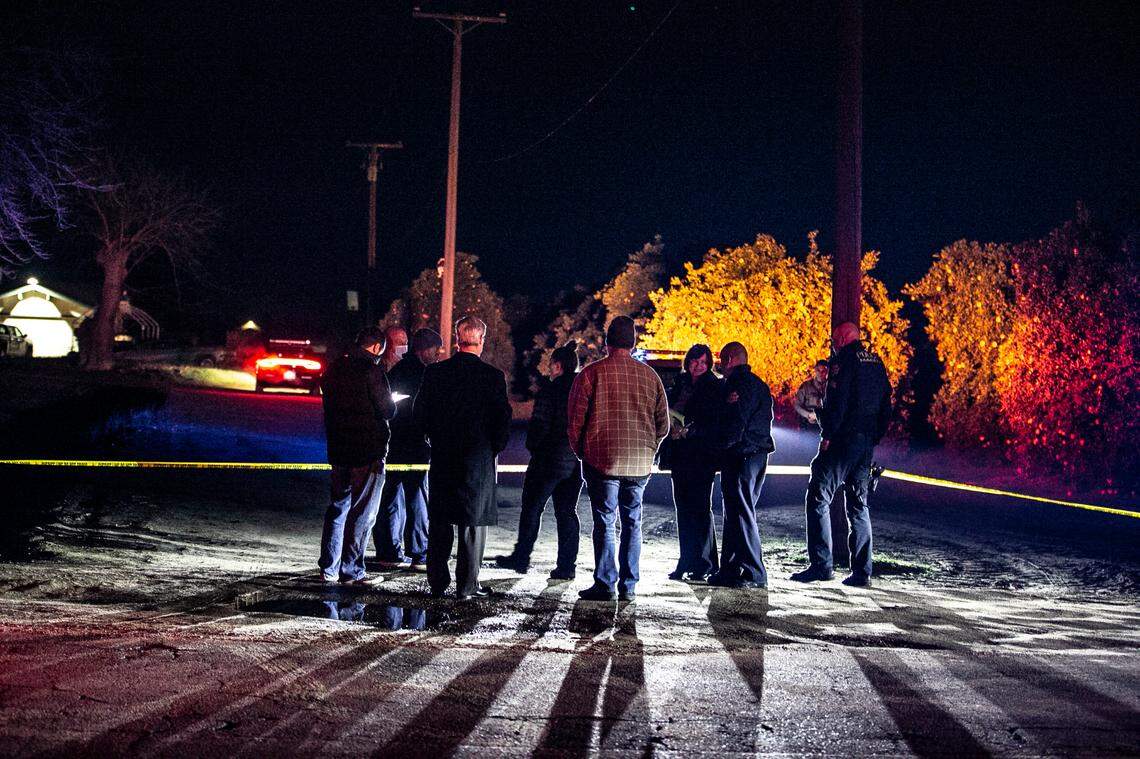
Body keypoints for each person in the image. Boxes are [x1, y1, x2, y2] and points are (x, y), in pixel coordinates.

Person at [568, 316, 669, 602]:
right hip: (639, 463)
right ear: (633, 343)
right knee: (633, 522)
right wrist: (649, 448)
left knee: (605, 521)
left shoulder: (591, 374)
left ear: (607, 342)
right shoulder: (650, 377)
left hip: (602, 460)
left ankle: (605, 583)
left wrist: (583, 452)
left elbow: (575, 422)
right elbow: (663, 424)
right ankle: (629, 585)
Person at [413, 316, 512, 600]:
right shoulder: (492, 377)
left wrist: (432, 438)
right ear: (481, 340)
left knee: (440, 520)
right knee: (473, 523)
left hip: (444, 456)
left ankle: (437, 582)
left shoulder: (435, 373)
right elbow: (502, 420)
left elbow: (420, 413)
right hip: (477, 459)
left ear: (457, 339)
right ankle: (467, 585)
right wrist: (493, 448)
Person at [791, 322, 892, 588]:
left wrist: (827, 435)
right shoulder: (876, 363)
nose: (833, 344)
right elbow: (886, 406)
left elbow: (838, 405)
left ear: (844, 338)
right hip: (866, 443)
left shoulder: (842, 363)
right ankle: (862, 572)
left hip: (842, 441)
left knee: (818, 496)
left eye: (834, 340)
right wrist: (873, 438)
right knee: (859, 505)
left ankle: (821, 565)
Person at [495, 342, 584, 579]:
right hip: (574, 461)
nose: (549, 369)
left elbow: (540, 424)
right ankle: (567, 566)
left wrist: (533, 446)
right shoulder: (581, 391)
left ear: (558, 366)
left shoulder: (550, 391)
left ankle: (522, 557)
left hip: (547, 459)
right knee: (567, 512)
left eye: (551, 364)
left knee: (532, 508)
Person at [317, 326, 396, 585]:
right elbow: (387, 410)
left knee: (337, 508)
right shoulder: (372, 371)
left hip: (339, 449)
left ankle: (328, 568)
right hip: (367, 452)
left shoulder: (334, 368)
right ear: (377, 347)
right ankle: (352, 571)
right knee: (363, 512)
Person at [373, 327, 442, 571]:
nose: (438, 355)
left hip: (392, 444)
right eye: (435, 350)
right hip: (417, 446)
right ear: (424, 350)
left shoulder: (396, 372)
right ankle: (419, 552)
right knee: (418, 499)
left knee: (390, 498)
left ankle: (388, 551)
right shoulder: (427, 375)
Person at [706, 342, 774, 589]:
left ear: (731, 359)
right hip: (756, 454)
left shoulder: (738, 384)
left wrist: (719, 448)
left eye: (722, 359)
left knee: (741, 513)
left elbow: (736, 423)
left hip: (741, 455)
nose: (720, 364)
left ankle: (755, 571)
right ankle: (731, 569)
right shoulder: (758, 384)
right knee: (738, 512)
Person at [664, 343, 722, 582]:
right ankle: (686, 560)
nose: (698, 366)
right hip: (679, 453)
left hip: (701, 455)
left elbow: (714, 421)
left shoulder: (714, 386)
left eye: (703, 362)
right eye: (695, 361)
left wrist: (691, 430)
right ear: (688, 362)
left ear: (709, 364)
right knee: (683, 508)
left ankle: (705, 562)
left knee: (699, 508)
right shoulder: (680, 383)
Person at [793, 360, 829, 429]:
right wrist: (808, 415)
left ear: (827, 371)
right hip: (808, 424)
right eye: (818, 370)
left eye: (823, 371)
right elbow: (797, 405)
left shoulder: (832, 387)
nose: (820, 373)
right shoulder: (806, 386)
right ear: (815, 370)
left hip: (826, 424)